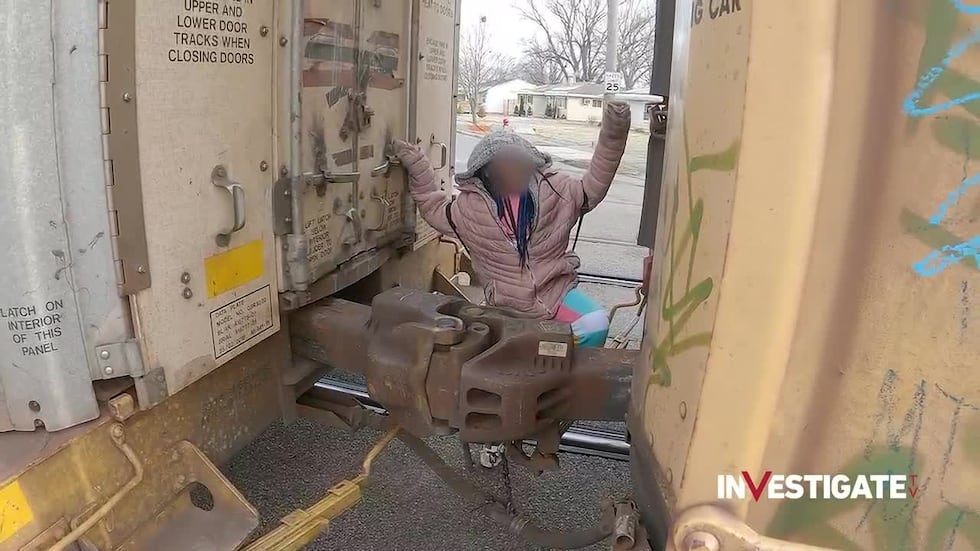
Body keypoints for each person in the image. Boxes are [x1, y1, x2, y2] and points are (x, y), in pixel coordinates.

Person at [395, 101, 631, 347]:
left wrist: (614, 131)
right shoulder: (469, 209)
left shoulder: (557, 191)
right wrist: (418, 165)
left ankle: (561, 374)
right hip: (505, 306)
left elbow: (594, 185)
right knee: (503, 354)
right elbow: (433, 208)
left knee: (595, 324)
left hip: (556, 295)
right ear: (483, 174)